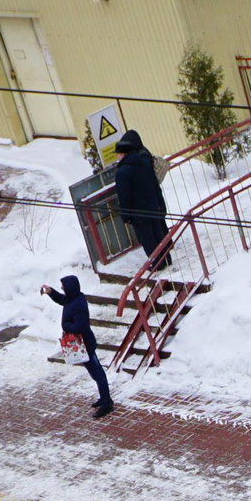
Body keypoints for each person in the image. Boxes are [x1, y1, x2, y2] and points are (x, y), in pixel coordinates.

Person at [41, 275, 112, 418]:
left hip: (85, 345)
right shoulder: (74, 298)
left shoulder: (78, 305)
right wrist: (51, 292)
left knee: (98, 374)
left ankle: (107, 403)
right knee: (95, 373)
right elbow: (63, 300)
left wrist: (65, 325)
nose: (62, 288)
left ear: (70, 288)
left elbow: (80, 326)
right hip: (84, 344)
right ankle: (105, 399)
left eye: (63, 286)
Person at [109, 131, 169, 270]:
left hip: (138, 213)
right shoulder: (144, 162)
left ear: (123, 154)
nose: (116, 156)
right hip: (152, 206)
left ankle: (157, 264)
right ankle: (166, 258)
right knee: (158, 234)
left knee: (147, 239)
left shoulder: (122, 172)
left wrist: (125, 216)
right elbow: (153, 183)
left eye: (117, 153)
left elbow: (124, 197)